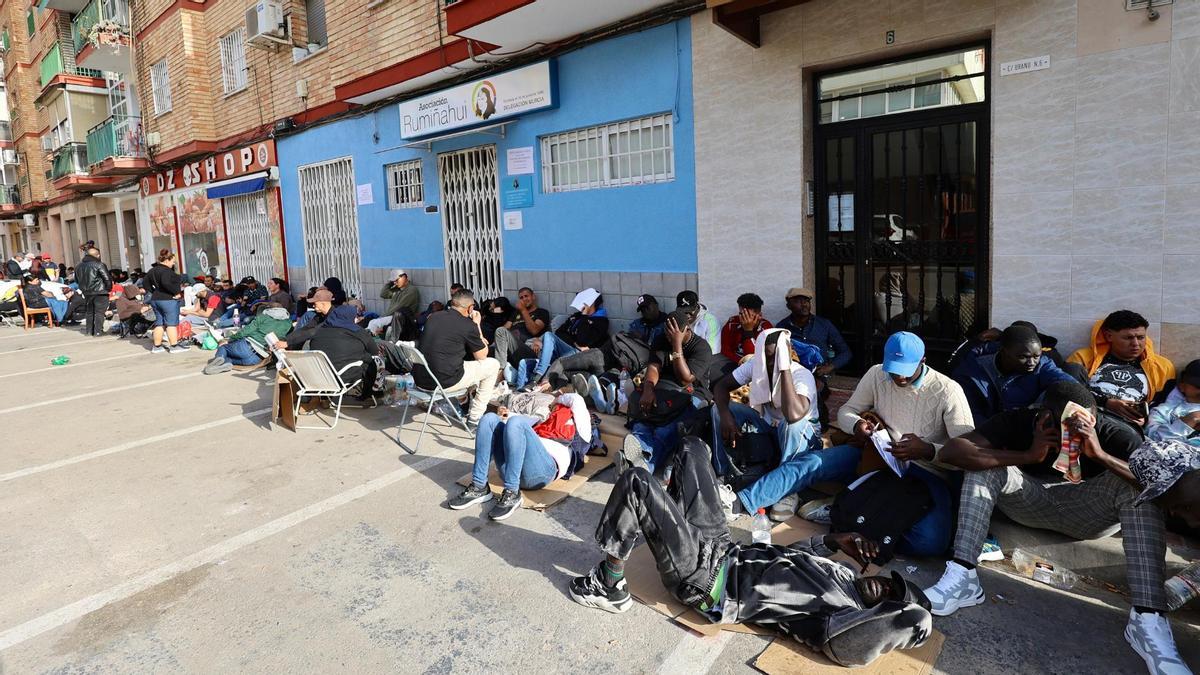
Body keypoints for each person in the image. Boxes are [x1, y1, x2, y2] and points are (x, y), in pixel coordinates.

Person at [569, 439, 934, 668]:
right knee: (692, 449)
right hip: (726, 548)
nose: (883, 589)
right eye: (889, 584)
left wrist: (910, 617)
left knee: (637, 483)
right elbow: (788, 557)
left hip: (708, 581)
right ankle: (660, 513)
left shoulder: (842, 620)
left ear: (887, 615)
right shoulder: (845, 577)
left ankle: (609, 585)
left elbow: (858, 648)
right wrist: (834, 541)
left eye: (889, 600)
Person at [924, 381, 1185, 675]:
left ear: (1095, 416)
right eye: (1067, 426)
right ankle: (963, 577)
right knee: (986, 464)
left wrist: (1099, 455)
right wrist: (1026, 456)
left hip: (1088, 510)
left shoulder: (1115, 433)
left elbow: (1164, 488)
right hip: (1032, 499)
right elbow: (952, 452)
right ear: (1044, 416)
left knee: (1137, 488)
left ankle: (1147, 619)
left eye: (1085, 423)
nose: (1076, 432)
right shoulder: (1021, 419)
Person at [709, 328, 821, 519]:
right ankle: (723, 475)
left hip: (803, 439)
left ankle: (789, 490)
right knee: (718, 410)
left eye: (775, 357)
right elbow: (721, 386)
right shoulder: (757, 364)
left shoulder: (801, 375)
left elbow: (794, 415)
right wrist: (726, 415)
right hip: (770, 429)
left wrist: (784, 368)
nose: (770, 364)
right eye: (767, 357)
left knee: (792, 424)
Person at [449, 392, 592, 521]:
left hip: (542, 472)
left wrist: (557, 399)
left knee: (516, 423)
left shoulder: (581, 429)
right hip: (510, 471)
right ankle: (479, 486)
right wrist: (504, 414)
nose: (555, 411)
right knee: (489, 419)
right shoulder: (542, 421)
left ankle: (512, 494)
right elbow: (510, 424)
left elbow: (576, 399)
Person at [620, 307, 712, 475]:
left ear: (686, 330)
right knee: (644, 417)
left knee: (668, 429)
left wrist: (677, 345)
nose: (668, 337)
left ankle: (645, 461)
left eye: (673, 334)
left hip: (694, 392)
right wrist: (648, 389)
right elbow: (653, 367)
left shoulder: (702, 348)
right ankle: (640, 458)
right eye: (667, 333)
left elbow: (685, 378)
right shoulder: (661, 339)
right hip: (665, 388)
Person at [1067, 310, 1176, 442]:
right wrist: (1106, 403)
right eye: (1128, 338)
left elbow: (1166, 404)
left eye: (1141, 337)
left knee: (1130, 439)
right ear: (1109, 336)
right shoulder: (1083, 358)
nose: (1136, 343)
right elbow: (1068, 393)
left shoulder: (1162, 366)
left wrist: (1145, 418)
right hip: (1088, 415)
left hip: (1127, 426)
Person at [951, 324, 1074, 426]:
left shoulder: (1042, 364)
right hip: (986, 435)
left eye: (1036, 356)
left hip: (1031, 430)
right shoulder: (971, 371)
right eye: (1023, 357)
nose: (1031, 363)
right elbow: (970, 414)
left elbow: (1070, 386)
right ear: (1004, 352)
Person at [416, 289, 500, 426]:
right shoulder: (467, 325)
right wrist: (477, 324)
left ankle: (464, 398)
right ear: (471, 308)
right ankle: (475, 418)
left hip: (420, 379)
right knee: (492, 365)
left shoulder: (434, 317)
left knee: (460, 361)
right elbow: (482, 355)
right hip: (442, 382)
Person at [775, 287, 852, 428]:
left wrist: (830, 367)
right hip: (793, 377)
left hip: (818, 376)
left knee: (816, 395)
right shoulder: (782, 328)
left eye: (807, 301)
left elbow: (845, 352)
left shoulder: (824, 325)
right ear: (789, 305)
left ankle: (819, 430)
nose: (804, 304)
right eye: (798, 301)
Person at [521, 288, 609, 388]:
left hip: (578, 354)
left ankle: (541, 380)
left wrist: (585, 316)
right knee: (548, 336)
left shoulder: (601, 321)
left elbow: (583, 340)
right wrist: (574, 341)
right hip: (568, 347)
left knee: (557, 361)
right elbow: (559, 332)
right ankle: (538, 375)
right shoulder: (576, 317)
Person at [204, 303, 294, 374]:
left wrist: (229, 339)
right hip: (257, 358)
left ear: (270, 310)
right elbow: (289, 340)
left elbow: (246, 331)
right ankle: (228, 364)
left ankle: (220, 357)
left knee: (223, 348)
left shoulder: (263, 317)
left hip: (246, 346)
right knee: (231, 359)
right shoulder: (289, 323)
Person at [493, 287, 551, 377]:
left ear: (533, 297)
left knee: (500, 332)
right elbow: (505, 328)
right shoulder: (516, 313)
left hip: (526, 348)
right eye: (521, 297)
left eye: (526, 296)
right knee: (486, 349)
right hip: (510, 345)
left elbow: (534, 330)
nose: (524, 299)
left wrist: (523, 310)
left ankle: (499, 372)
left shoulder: (542, 312)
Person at [714, 293, 773, 380]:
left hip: (757, 369)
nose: (744, 319)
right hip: (734, 364)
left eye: (749, 315)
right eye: (742, 314)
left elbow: (753, 358)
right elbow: (725, 350)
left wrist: (748, 331)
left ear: (759, 316)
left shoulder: (766, 328)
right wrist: (740, 362)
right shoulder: (732, 323)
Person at [1147, 359, 1200, 449]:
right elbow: (1154, 441)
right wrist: (1186, 422)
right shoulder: (1163, 412)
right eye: (1198, 386)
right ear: (1182, 386)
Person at [144, 249, 189, 353]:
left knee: (159, 323)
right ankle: (174, 346)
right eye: (173, 261)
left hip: (155, 299)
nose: (173, 263)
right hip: (168, 300)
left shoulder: (152, 270)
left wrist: (154, 291)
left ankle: (157, 346)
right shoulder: (167, 271)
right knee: (171, 324)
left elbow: (146, 283)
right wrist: (176, 292)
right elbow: (166, 283)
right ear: (167, 260)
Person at [74, 246, 113, 337]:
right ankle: (98, 331)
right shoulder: (99, 264)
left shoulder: (78, 266)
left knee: (89, 312)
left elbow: (76, 280)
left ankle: (89, 331)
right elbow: (107, 279)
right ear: (98, 255)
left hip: (86, 292)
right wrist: (108, 289)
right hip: (100, 292)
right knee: (99, 312)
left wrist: (84, 288)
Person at [676, 290, 721, 355]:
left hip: (704, 360)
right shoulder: (677, 317)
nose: (687, 315)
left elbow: (712, 350)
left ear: (697, 306)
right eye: (683, 312)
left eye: (690, 311)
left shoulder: (711, 321)